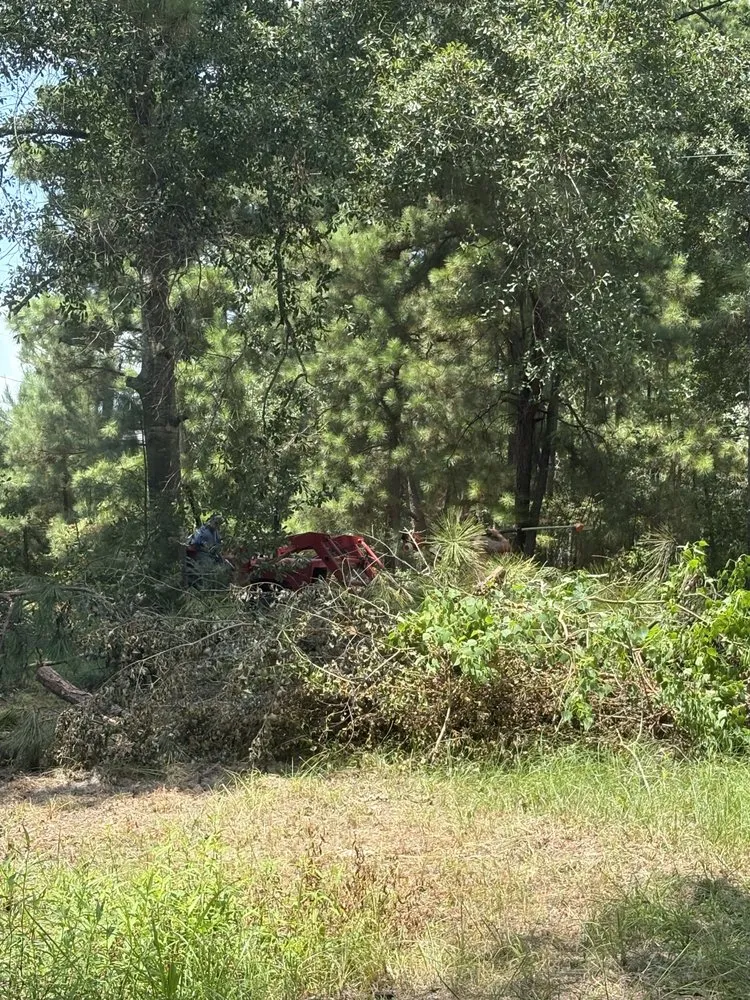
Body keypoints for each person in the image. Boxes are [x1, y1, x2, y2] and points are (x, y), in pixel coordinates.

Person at [185, 514, 231, 588]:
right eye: (216, 523)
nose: (216, 525)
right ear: (212, 521)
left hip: (212, 554)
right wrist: (205, 546)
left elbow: (217, 544)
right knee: (208, 566)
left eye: (218, 524)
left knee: (225, 565)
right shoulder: (202, 531)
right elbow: (195, 542)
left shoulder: (215, 532)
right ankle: (205, 586)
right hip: (200, 553)